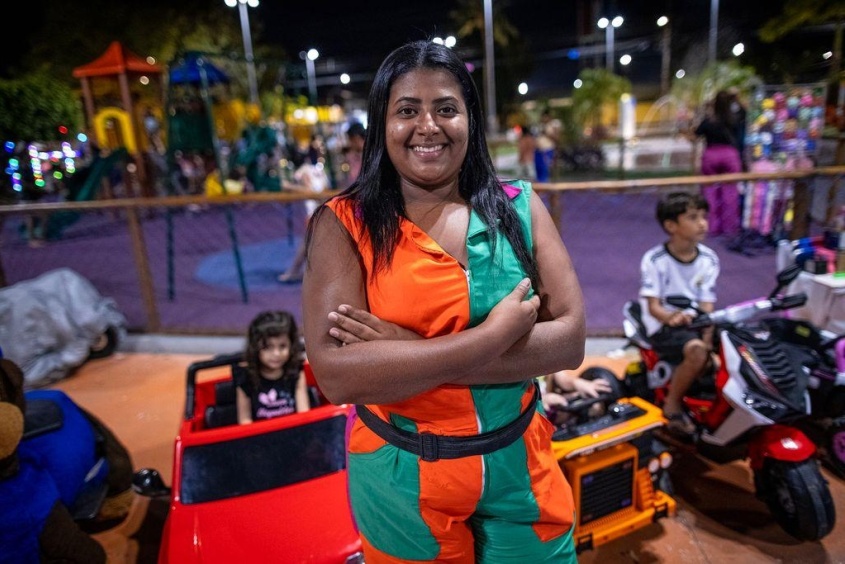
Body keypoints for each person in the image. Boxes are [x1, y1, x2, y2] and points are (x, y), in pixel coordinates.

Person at [302, 40, 586, 562]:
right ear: (381, 125)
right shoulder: (343, 224)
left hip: (522, 467)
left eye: (446, 109)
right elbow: (339, 377)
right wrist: (493, 337)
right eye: (407, 110)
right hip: (401, 481)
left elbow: (568, 343)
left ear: (470, 121)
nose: (428, 126)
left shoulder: (520, 206)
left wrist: (404, 352)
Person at [639, 192, 719, 436]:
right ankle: (672, 403)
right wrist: (671, 318)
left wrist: (707, 336)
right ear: (671, 225)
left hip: (694, 324)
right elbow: (653, 306)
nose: (703, 223)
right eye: (693, 217)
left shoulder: (709, 259)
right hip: (662, 325)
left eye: (704, 216)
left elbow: (707, 305)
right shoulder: (655, 260)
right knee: (697, 352)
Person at [235, 310, 310, 424]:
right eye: (268, 347)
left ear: (292, 345)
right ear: (255, 348)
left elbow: (304, 415)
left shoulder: (296, 372)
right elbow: (245, 421)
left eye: (282, 346)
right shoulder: (245, 377)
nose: (276, 354)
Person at [689, 90, 743, 237]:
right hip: (730, 155)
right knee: (730, 191)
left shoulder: (708, 120)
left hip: (711, 155)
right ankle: (730, 227)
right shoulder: (735, 119)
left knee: (709, 191)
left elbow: (694, 136)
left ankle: (712, 226)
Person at [278, 149, 330, 283]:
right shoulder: (320, 170)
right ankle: (302, 270)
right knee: (311, 242)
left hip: (314, 211)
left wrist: (289, 186)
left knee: (307, 242)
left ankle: (294, 271)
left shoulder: (304, 171)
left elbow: (309, 190)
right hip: (322, 209)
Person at [534, 109, 561, 182]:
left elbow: (557, 138)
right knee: (538, 169)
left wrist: (546, 133)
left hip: (547, 150)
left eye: (545, 117)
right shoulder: (540, 125)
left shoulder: (553, 125)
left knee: (545, 169)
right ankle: (540, 185)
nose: (543, 119)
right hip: (538, 150)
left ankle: (546, 186)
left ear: (548, 117)